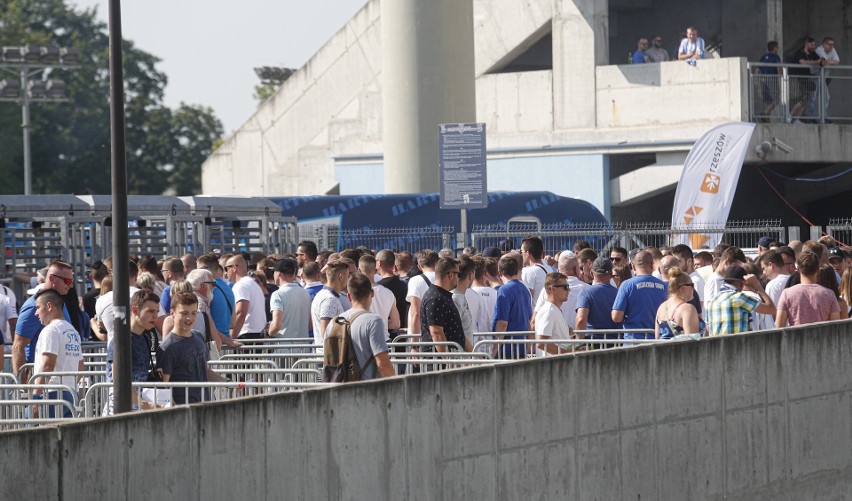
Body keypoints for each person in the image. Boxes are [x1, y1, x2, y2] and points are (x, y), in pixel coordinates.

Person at [157, 292, 227, 405]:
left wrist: (226, 382)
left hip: (204, 406)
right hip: (183, 411)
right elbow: (163, 387)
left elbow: (204, 369)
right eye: (184, 313)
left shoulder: (198, 336)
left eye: (194, 313)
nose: (189, 318)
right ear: (172, 313)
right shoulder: (168, 347)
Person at [326, 273, 394, 380]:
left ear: (349, 296)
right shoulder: (373, 321)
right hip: (367, 388)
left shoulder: (334, 323)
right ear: (372, 293)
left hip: (340, 388)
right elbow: (382, 363)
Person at [13, 260, 75, 376]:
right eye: (67, 281)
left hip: (60, 376)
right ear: (52, 278)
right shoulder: (34, 306)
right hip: (40, 377)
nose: (71, 285)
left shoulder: (59, 302)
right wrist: (23, 386)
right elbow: (18, 346)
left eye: (72, 281)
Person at [31, 289, 83, 418]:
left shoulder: (51, 330)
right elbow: (81, 367)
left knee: (37, 432)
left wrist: (35, 396)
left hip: (51, 393)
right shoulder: (72, 331)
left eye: (38, 307)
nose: (36, 313)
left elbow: (48, 364)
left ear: (49, 306)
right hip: (70, 392)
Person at [611, 250, 667, 340]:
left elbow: (616, 317)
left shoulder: (627, 285)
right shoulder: (664, 286)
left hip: (633, 342)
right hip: (657, 341)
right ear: (652, 265)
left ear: (633, 266)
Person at [776, 252, 840, 327]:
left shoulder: (787, 293)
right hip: (822, 337)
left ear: (798, 269)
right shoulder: (829, 294)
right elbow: (835, 325)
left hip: (796, 337)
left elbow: (779, 325)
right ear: (818, 270)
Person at [707, 265, 775, 336]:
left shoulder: (713, 301)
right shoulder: (740, 298)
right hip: (737, 345)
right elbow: (772, 309)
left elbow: (708, 328)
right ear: (742, 283)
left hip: (717, 346)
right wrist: (758, 286)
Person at [420, 257, 469, 352]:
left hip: (450, 359)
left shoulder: (442, 296)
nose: (459, 278)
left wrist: (476, 357)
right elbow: (436, 333)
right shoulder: (435, 298)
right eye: (458, 274)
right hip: (439, 363)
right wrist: (447, 360)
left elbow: (459, 332)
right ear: (450, 275)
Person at [493, 253, 533, 358]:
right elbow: (529, 320)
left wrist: (494, 349)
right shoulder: (525, 289)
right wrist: (529, 343)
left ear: (500, 273)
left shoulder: (504, 290)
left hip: (506, 348)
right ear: (517, 270)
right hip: (521, 346)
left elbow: (502, 323)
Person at [534, 251, 587, 329]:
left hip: (553, 337)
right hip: (577, 338)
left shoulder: (547, 290)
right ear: (576, 269)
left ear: (558, 271)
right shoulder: (587, 289)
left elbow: (535, 318)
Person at [575, 257, 622, 340]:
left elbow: (581, 319)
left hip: (593, 345)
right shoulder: (620, 293)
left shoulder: (586, 292)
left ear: (592, 274)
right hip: (617, 344)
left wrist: (579, 344)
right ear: (611, 275)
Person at [268, 258, 312, 339]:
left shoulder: (278, 294)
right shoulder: (305, 293)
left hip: (283, 348)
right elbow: (309, 325)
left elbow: (276, 325)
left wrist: (267, 334)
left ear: (278, 273)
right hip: (304, 348)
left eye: (274, 272)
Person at [226, 254, 268, 339]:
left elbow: (240, 313)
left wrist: (232, 336)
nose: (226, 273)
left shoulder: (241, 285)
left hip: (246, 335)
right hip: (256, 334)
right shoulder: (252, 284)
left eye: (226, 268)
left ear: (234, 268)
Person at [311, 259, 350, 349]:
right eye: (348, 276)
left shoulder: (324, 295)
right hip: (329, 357)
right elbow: (326, 333)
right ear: (341, 277)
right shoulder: (329, 299)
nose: (348, 279)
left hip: (327, 356)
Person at [196, 253, 235, 339]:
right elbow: (233, 322)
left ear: (203, 269)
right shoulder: (228, 288)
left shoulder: (207, 289)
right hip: (225, 341)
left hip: (212, 342)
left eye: (197, 270)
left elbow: (203, 321)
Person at [655, 267, 700, 340]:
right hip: (679, 351)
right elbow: (692, 343)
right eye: (692, 285)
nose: (693, 289)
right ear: (683, 288)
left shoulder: (661, 307)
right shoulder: (687, 309)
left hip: (662, 350)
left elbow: (657, 338)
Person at [358, 255, 400, 333]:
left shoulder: (357, 292)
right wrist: (382, 322)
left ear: (359, 270)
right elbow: (395, 324)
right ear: (376, 271)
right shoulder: (389, 293)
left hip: (364, 338)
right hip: (383, 340)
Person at [535, 272, 572, 354]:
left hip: (558, 364)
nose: (569, 289)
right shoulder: (549, 311)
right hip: (551, 365)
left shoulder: (553, 309)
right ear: (553, 289)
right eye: (565, 287)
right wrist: (568, 352)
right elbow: (541, 343)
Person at [406, 250, 438, 338]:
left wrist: (414, 344)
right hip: (441, 334)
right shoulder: (445, 278)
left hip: (422, 336)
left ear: (419, 266)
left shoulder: (415, 280)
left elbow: (416, 313)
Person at [789, 37, 823, 122]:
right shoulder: (800, 53)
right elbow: (802, 62)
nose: (813, 46)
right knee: (802, 99)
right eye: (812, 45)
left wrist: (823, 62)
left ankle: (796, 118)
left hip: (806, 78)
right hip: (797, 78)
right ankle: (790, 115)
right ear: (806, 44)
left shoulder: (812, 53)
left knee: (805, 99)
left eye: (814, 45)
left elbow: (822, 61)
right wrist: (817, 62)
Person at [376, 249, 408, 332]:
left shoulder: (379, 287)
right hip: (402, 333)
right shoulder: (403, 284)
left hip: (384, 332)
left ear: (379, 263)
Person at [451, 255, 478, 351]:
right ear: (471, 275)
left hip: (464, 357)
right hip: (459, 357)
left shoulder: (460, 296)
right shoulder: (454, 298)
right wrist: (473, 354)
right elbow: (456, 331)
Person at [520, 236, 554, 304]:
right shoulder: (549, 268)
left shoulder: (529, 272)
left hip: (536, 313)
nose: (521, 254)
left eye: (521, 251)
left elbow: (527, 300)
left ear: (528, 253)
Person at [755, 42, 782, 120]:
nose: (778, 48)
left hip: (763, 80)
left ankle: (766, 118)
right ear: (774, 48)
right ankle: (764, 114)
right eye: (777, 47)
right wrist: (782, 76)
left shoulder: (764, 57)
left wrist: (756, 81)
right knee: (776, 100)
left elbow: (757, 69)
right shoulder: (776, 57)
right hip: (772, 79)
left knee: (769, 101)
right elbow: (778, 68)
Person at [815, 37, 839, 121]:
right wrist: (829, 62)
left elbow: (837, 62)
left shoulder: (832, 50)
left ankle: (824, 117)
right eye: (829, 44)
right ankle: (815, 118)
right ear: (824, 44)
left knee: (826, 97)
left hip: (823, 77)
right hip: (815, 77)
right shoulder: (819, 50)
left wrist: (828, 62)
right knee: (813, 97)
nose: (831, 46)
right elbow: (823, 63)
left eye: (832, 44)